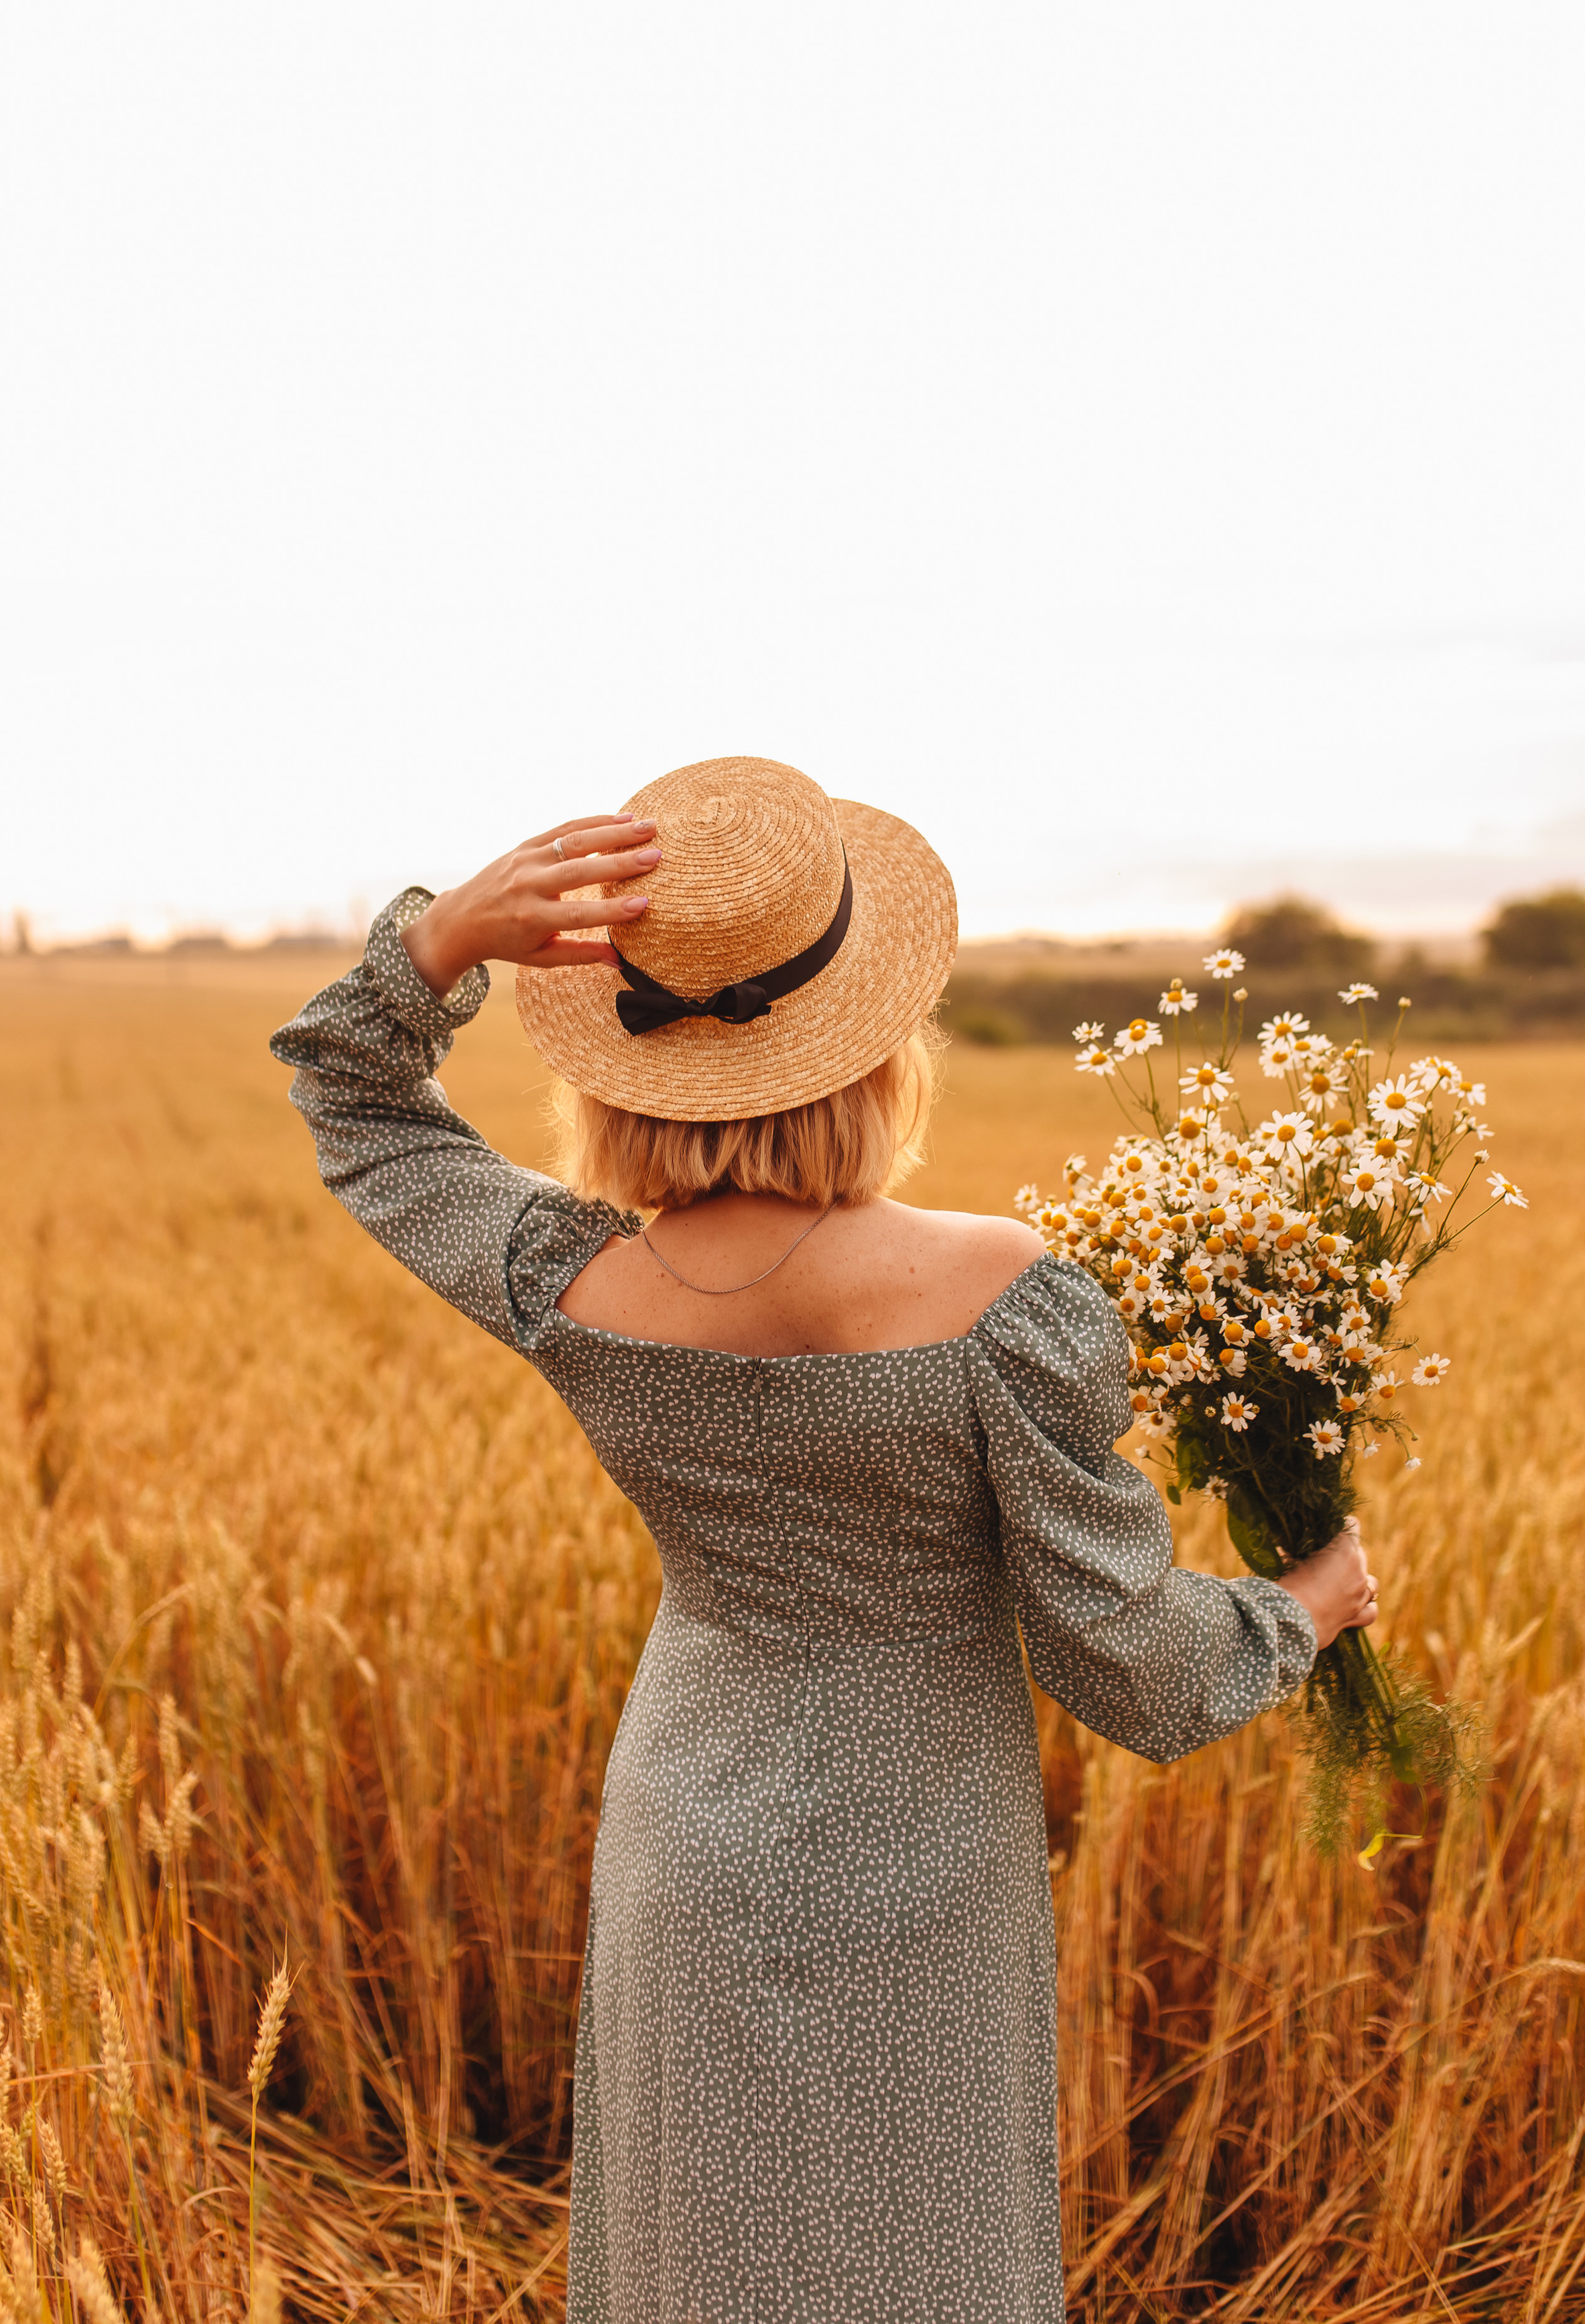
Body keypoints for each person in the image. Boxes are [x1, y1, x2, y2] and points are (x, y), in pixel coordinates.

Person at [270, 755, 1377, 2324]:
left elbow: (361, 1111)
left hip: (685, 1817)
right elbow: (1122, 1660)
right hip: (920, 1842)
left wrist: (439, 946)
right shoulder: (1002, 1295)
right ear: (877, 1055)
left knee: (701, 2238)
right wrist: (1302, 1609)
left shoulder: (563, 1281)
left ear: (615, 1078)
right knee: (914, 2237)